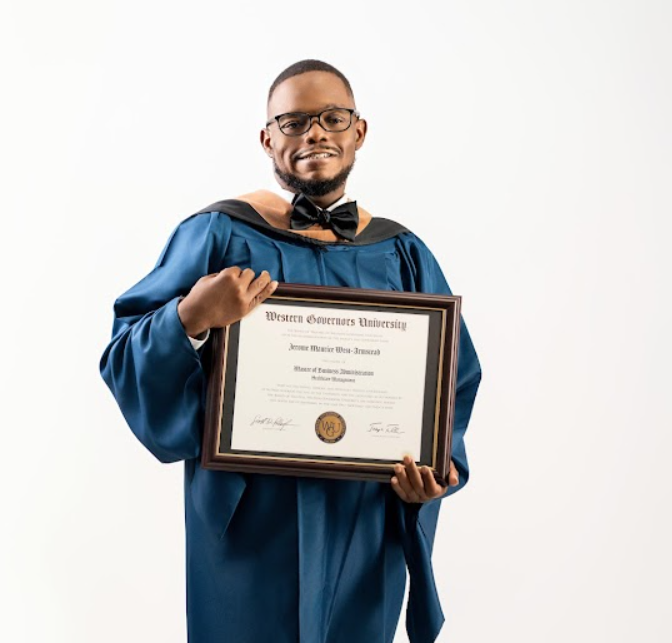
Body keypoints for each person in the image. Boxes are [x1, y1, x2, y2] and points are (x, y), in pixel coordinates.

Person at [100, 59, 482, 643]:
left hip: (363, 517)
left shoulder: (402, 252)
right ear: (267, 138)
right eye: (294, 121)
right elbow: (125, 352)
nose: (315, 134)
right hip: (251, 520)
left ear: (359, 131)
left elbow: (450, 379)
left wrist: (434, 467)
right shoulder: (219, 233)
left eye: (332, 117)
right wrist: (192, 315)